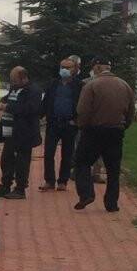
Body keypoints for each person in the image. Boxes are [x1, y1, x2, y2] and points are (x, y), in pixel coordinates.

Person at [73, 56, 136, 212]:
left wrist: (82, 125)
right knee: (113, 169)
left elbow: (83, 110)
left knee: (82, 162)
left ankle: (86, 193)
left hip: (93, 131)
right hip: (116, 131)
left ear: (97, 68)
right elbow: (131, 111)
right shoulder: (125, 85)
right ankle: (111, 203)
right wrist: (123, 126)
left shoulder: (91, 85)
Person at [0, 66, 42, 200]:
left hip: (24, 133)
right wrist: (2, 101)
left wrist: (7, 107)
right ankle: (5, 185)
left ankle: (20, 189)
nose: (12, 83)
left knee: (22, 161)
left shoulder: (34, 91)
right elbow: (9, 97)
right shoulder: (15, 88)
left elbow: (29, 109)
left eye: (14, 80)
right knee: (6, 160)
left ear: (24, 78)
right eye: (11, 81)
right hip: (10, 131)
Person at [39, 55, 84, 191]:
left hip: (69, 124)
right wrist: (40, 116)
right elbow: (46, 102)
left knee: (67, 154)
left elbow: (82, 105)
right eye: (62, 67)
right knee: (48, 153)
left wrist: (77, 120)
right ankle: (49, 181)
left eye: (67, 67)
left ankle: (62, 181)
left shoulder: (79, 86)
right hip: (53, 123)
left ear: (74, 69)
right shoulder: (53, 84)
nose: (64, 70)